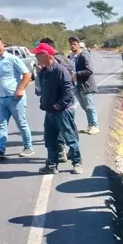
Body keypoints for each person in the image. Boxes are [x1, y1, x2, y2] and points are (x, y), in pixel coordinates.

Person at [31, 42, 83, 175]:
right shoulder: (43, 71)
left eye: (38, 54)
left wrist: (58, 106)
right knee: (50, 139)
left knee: (70, 138)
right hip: (50, 112)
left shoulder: (60, 70)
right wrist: (44, 103)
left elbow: (68, 92)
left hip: (62, 111)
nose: (35, 56)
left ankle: (77, 163)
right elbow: (44, 90)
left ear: (46, 54)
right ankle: (52, 165)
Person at [0, 35, 34, 159]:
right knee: (1, 125)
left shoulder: (12, 59)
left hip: (15, 98)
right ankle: (0, 150)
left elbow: (27, 74)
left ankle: (28, 147)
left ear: (2, 45)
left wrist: (20, 89)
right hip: (0, 98)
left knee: (21, 123)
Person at [68, 36, 99, 134]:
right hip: (76, 86)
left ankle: (95, 125)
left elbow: (89, 70)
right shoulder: (70, 57)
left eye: (74, 44)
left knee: (90, 106)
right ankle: (90, 125)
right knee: (84, 107)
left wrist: (77, 74)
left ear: (78, 44)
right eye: (71, 44)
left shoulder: (83, 55)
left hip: (86, 85)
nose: (73, 46)